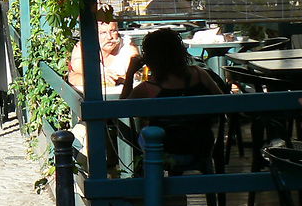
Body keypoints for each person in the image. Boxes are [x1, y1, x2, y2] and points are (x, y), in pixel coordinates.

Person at [120, 28, 222, 166]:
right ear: (180, 52)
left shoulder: (148, 89)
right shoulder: (199, 75)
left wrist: (130, 73)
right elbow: (222, 101)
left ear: (149, 58)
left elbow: (121, 109)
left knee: (143, 134)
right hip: (202, 146)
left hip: (165, 152)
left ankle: (143, 178)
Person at [67, 21, 139, 91]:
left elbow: (138, 75)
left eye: (113, 31)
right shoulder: (83, 48)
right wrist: (97, 80)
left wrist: (118, 79)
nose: (109, 37)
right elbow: (73, 78)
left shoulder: (127, 46)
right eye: (103, 33)